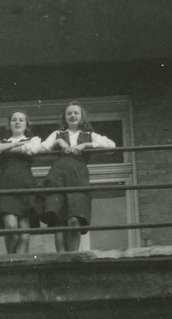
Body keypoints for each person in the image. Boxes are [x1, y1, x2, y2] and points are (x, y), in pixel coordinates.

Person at [41, 101, 116, 252]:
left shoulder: (89, 135)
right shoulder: (57, 134)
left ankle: (72, 255)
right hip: (58, 176)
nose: (72, 116)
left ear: (82, 117)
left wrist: (86, 145)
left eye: (76, 113)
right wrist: (58, 142)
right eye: (69, 113)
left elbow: (111, 145)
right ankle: (61, 256)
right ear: (65, 117)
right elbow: (41, 148)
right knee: (59, 220)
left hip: (78, 177)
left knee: (74, 219)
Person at [0, 111, 41, 254]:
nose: (17, 122)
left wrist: (6, 149)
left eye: (21, 120)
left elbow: (32, 149)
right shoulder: (1, 141)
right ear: (9, 124)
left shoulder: (33, 139)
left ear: (26, 124)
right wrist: (14, 146)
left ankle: (20, 266)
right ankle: (10, 258)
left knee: (24, 235)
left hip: (25, 186)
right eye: (14, 120)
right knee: (11, 227)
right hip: (6, 187)